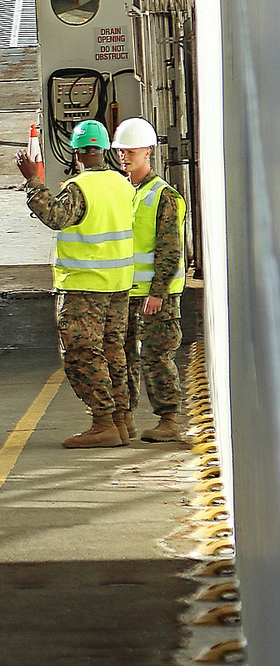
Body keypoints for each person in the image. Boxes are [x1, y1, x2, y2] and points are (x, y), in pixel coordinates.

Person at [16, 119, 136, 447]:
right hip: (119, 284)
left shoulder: (80, 188)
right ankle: (123, 420)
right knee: (114, 350)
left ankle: (103, 423)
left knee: (84, 352)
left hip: (85, 286)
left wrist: (33, 181)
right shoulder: (124, 185)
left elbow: (55, 216)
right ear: (105, 150)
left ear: (77, 153)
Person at [112, 117, 187, 442]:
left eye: (130, 151)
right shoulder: (127, 193)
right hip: (127, 293)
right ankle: (125, 418)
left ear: (148, 152)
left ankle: (168, 420)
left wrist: (157, 292)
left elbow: (170, 249)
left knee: (156, 356)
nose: (124, 157)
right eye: (120, 152)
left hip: (157, 296)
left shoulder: (163, 196)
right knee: (125, 356)